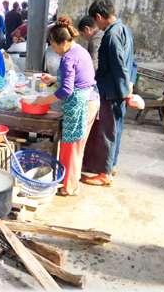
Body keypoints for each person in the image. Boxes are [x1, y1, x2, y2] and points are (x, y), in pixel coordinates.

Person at [32, 16, 99, 196]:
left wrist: (43, 100)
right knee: (76, 146)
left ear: (63, 43)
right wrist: (54, 79)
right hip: (90, 101)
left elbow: (66, 91)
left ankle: (70, 188)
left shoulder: (67, 58)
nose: (53, 49)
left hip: (80, 106)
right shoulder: (80, 50)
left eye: (53, 46)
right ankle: (71, 181)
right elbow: (78, 78)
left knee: (71, 147)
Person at [81, 0, 138, 186]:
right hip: (119, 90)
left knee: (107, 131)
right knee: (116, 130)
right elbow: (132, 63)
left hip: (112, 92)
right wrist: (129, 84)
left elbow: (119, 65)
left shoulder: (111, 34)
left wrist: (125, 92)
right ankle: (110, 165)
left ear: (98, 16)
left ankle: (105, 174)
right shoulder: (125, 30)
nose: (96, 25)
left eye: (95, 21)